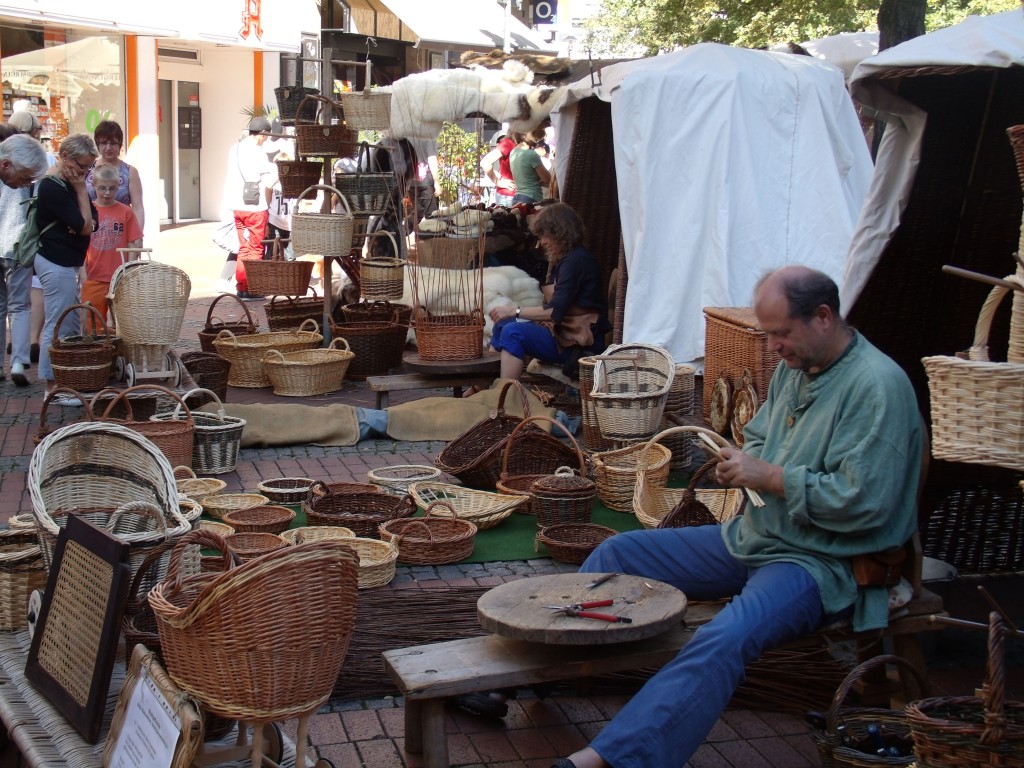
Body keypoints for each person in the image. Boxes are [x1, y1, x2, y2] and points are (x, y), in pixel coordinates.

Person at [552, 265, 923, 768]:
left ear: (822, 316)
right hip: (757, 537)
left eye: (780, 333)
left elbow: (864, 503)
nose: (772, 348)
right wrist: (745, 465)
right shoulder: (797, 369)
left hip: (821, 562)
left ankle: (614, 760)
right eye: (768, 334)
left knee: (725, 636)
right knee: (618, 552)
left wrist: (770, 477)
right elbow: (763, 436)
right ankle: (540, 678)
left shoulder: (878, 386)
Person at [487, 202, 610, 381]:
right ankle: (483, 387)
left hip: (578, 344)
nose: (542, 241)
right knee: (502, 325)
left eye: (545, 235)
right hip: (564, 333)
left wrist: (515, 310)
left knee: (512, 332)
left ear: (560, 232)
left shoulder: (575, 263)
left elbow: (554, 312)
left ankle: (505, 396)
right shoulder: (571, 259)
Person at [36, 133, 99, 407]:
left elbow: (92, 221)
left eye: (88, 168)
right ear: (64, 158)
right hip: (55, 260)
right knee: (58, 322)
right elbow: (83, 224)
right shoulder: (53, 186)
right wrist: (82, 193)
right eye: (81, 166)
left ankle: (65, 382)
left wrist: (84, 219)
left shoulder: (69, 185)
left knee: (69, 321)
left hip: (68, 260)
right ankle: (52, 386)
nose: (84, 173)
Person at [0, 134, 50, 387]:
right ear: (6, 164)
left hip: (15, 247)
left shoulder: (15, 175)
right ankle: (18, 361)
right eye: (23, 177)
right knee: (19, 306)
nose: (24, 183)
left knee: (5, 306)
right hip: (17, 247)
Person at [81, 163, 143, 330]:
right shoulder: (88, 210)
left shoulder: (125, 212)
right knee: (92, 322)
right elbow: (80, 244)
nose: (107, 193)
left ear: (118, 187)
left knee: (121, 323)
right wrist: (83, 274)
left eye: (111, 188)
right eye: (102, 188)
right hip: (94, 276)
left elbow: (133, 242)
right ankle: (96, 354)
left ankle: (118, 354)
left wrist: (128, 270)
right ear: (93, 185)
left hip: (118, 278)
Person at [225, 116, 275, 298]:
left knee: (243, 247)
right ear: (261, 134)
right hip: (255, 206)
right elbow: (268, 181)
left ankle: (242, 286)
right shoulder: (257, 152)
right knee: (255, 248)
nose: (266, 140)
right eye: (266, 136)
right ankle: (253, 288)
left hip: (237, 206)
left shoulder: (235, 148)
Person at [85, 120, 145, 231]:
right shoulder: (87, 169)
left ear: (120, 144)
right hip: (90, 235)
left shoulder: (130, 172)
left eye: (113, 143)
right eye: (103, 142)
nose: (108, 148)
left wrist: (137, 238)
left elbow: (138, 208)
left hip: (121, 232)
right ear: (97, 144)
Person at [508, 130, 551, 205]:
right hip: (531, 197)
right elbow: (547, 179)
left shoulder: (513, 152)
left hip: (517, 197)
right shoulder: (531, 154)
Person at [480, 133, 517, 206]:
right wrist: (497, 181)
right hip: (509, 195)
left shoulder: (523, 144)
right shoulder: (509, 143)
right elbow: (485, 162)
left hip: (517, 194)